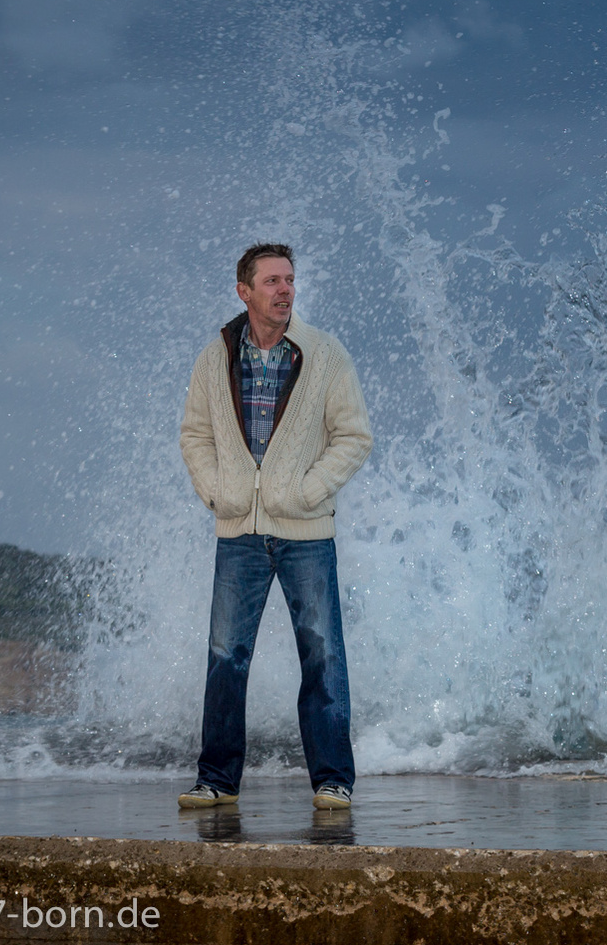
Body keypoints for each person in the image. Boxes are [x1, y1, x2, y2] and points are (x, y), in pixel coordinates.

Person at [176, 242, 373, 811]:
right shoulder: (215, 357)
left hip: (306, 532)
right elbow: (195, 435)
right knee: (225, 656)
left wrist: (307, 492)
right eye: (272, 282)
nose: (285, 290)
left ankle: (333, 779)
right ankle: (216, 780)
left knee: (323, 656)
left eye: (289, 280)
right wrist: (218, 492)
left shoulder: (324, 354)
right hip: (238, 531)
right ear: (244, 291)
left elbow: (354, 437)